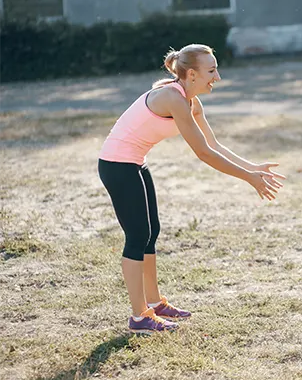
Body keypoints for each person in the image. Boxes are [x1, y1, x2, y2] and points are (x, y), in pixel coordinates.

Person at [98, 44, 285, 334]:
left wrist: (253, 167)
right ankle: (139, 318)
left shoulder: (191, 101)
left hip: (135, 162)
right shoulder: (173, 98)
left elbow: (214, 144)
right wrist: (248, 178)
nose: (218, 77)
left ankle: (155, 302)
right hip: (117, 164)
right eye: (212, 71)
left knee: (151, 232)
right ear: (192, 74)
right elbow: (203, 154)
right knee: (137, 236)